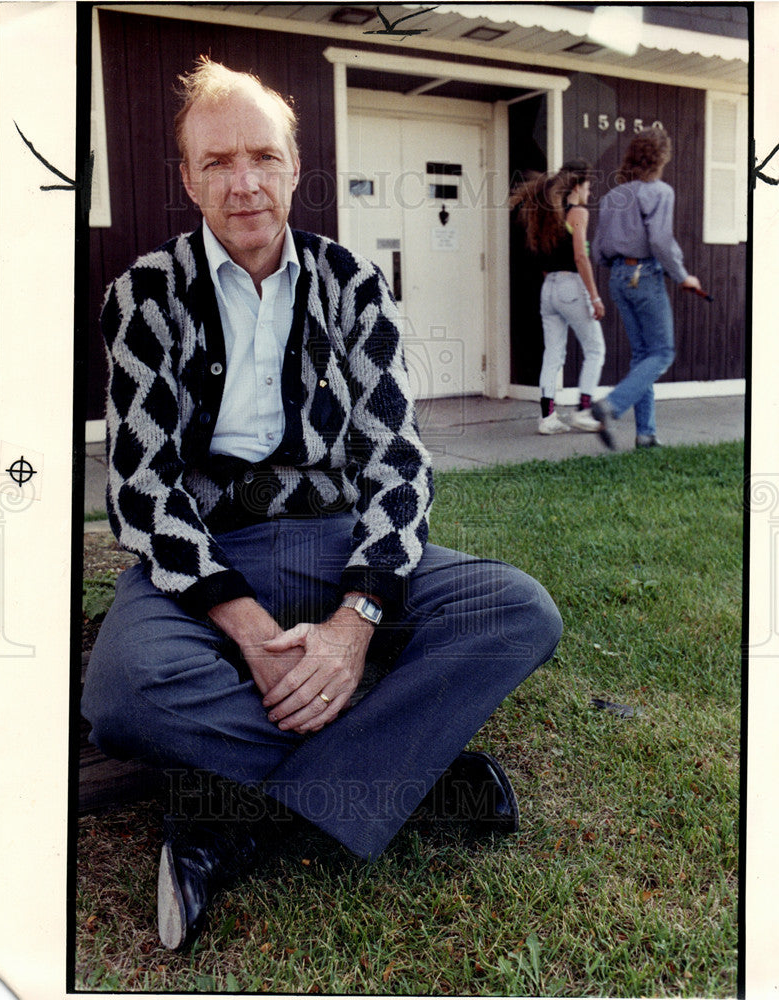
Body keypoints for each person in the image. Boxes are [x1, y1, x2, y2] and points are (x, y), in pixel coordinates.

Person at [81, 58, 563, 952]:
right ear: (188, 178)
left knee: (517, 610)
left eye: (263, 157)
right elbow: (141, 490)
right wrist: (253, 633)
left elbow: (397, 460)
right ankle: (421, 783)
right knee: (122, 691)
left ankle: (233, 824)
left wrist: (356, 620)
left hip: (336, 541)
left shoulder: (353, 284)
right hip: (211, 557)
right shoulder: (143, 296)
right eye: (217, 162)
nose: (244, 183)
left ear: (296, 168)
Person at [591, 128, 701, 449]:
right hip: (645, 276)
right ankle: (611, 405)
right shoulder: (660, 192)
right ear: (662, 158)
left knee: (643, 355)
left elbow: (598, 250)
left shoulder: (613, 196)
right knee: (662, 352)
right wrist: (682, 276)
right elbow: (660, 241)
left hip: (618, 278)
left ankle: (646, 434)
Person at [511, 161, 606, 436]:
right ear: (577, 186)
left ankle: (547, 417)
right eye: (588, 187)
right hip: (570, 285)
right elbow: (580, 257)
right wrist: (595, 297)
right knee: (595, 349)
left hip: (548, 287)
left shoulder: (547, 214)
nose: (589, 193)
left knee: (552, 354)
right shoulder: (577, 213)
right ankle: (583, 412)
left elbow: (540, 256)